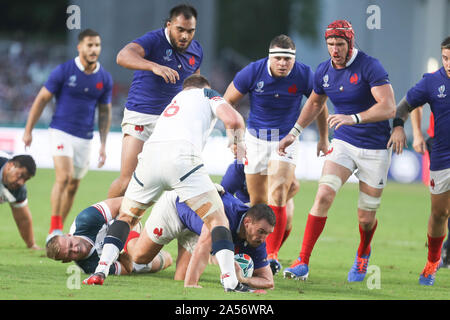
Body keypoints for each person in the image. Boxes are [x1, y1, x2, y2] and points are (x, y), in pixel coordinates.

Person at [83, 74, 251, 293]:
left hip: (150, 158)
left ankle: (101, 270)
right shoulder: (207, 94)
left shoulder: (174, 101)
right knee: (217, 220)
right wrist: (237, 143)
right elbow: (235, 120)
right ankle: (230, 281)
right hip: (181, 157)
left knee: (127, 217)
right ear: (204, 87)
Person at [279, 20, 396, 282]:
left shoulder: (369, 66)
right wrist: (293, 133)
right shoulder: (323, 71)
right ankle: (303, 261)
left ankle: (363, 252)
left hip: (376, 148)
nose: (334, 50)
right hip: (343, 143)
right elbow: (314, 103)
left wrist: (353, 118)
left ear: (350, 43)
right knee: (323, 195)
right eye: (330, 44)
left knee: (365, 218)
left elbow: (388, 107)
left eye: (340, 44)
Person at [223, 34, 329, 272]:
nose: (283, 63)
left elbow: (319, 104)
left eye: (287, 59)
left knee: (279, 192)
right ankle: (252, 254)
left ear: (294, 60)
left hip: (287, 137)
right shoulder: (252, 71)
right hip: (256, 139)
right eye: (278, 58)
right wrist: (235, 139)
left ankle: (272, 255)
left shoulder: (304, 74)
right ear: (270, 58)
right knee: (259, 203)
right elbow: (226, 102)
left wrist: (323, 137)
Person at [22, 29, 113, 240]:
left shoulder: (104, 78)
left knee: (74, 184)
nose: (94, 49)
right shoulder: (64, 71)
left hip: (86, 137)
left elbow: (105, 112)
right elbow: (42, 99)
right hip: (61, 130)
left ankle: (58, 228)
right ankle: (54, 229)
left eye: (97, 45)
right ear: (79, 47)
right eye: (89, 45)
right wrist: (28, 130)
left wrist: (103, 144)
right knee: (63, 177)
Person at [107, 4, 202, 199]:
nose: (185, 36)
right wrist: (153, 66)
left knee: (170, 184)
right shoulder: (154, 40)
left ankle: (135, 227)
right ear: (169, 25)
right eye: (180, 29)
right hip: (141, 115)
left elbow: (195, 85)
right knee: (128, 181)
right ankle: (102, 221)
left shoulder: (197, 51)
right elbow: (122, 56)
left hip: (171, 122)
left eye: (190, 31)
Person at [387, 36, 450, 285]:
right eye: (445, 58)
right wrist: (399, 127)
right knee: (439, 214)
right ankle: (433, 262)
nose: (448, 63)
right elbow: (404, 106)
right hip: (443, 156)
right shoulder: (432, 82)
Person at [129, 188, 275, 290]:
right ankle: (130, 227)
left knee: (180, 277)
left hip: (197, 228)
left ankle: (164, 258)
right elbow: (204, 245)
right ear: (247, 222)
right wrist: (191, 284)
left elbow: (268, 281)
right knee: (139, 257)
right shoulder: (225, 217)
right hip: (176, 207)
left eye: (267, 233)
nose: (263, 238)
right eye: (261, 232)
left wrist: (243, 280)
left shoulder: (257, 239)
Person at [45, 196, 172, 275]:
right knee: (166, 260)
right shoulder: (90, 267)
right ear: (67, 260)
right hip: (126, 256)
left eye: (71, 245)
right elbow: (127, 268)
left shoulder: (85, 220)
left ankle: (167, 208)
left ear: (68, 235)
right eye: (69, 253)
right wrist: (122, 253)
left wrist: (127, 224)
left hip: (127, 222)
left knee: (134, 248)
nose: (75, 249)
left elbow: (123, 202)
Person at [220, 159, 299, 274]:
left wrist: (273, 206)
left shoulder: (277, 161)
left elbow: (294, 185)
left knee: (288, 211)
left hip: (266, 203)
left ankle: (270, 254)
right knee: (247, 224)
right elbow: (223, 195)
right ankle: (236, 255)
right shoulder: (241, 165)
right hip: (243, 204)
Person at [410, 107, 449, 268]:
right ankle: (441, 254)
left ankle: (445, 252)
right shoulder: (434, 81)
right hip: (439, 143)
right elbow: (414, 103)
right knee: (442, 209)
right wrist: (417, 133)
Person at [0, 154, 40, 250]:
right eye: (21, 175)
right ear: (10, 166)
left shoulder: (18, 190)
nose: (21, 182)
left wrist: (32, 245)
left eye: (25, 179)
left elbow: (23, 220)